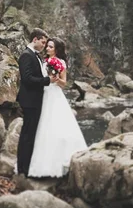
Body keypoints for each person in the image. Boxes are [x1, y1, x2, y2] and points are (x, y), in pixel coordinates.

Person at [28, 37, 87, 178]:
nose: (47, 48)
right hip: (43, 93)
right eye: (47, 46)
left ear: (56, 49)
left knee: (54, 125)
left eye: (50, 47)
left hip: (54, 94)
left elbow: (63, 83)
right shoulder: (42, 60)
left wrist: (55, 78)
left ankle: (57, 162)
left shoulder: (60, 63)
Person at [15, 28, 58, 177]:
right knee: (27, 135)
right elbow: (27, 79)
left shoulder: (36, 56)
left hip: (35, 100)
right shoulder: (26, 56)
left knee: (31, 134)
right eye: (43, 42)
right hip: (30, 101)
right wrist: (46, 81)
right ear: (35, 40)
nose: (44, 46)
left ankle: (26, 167)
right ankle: (23, 169)